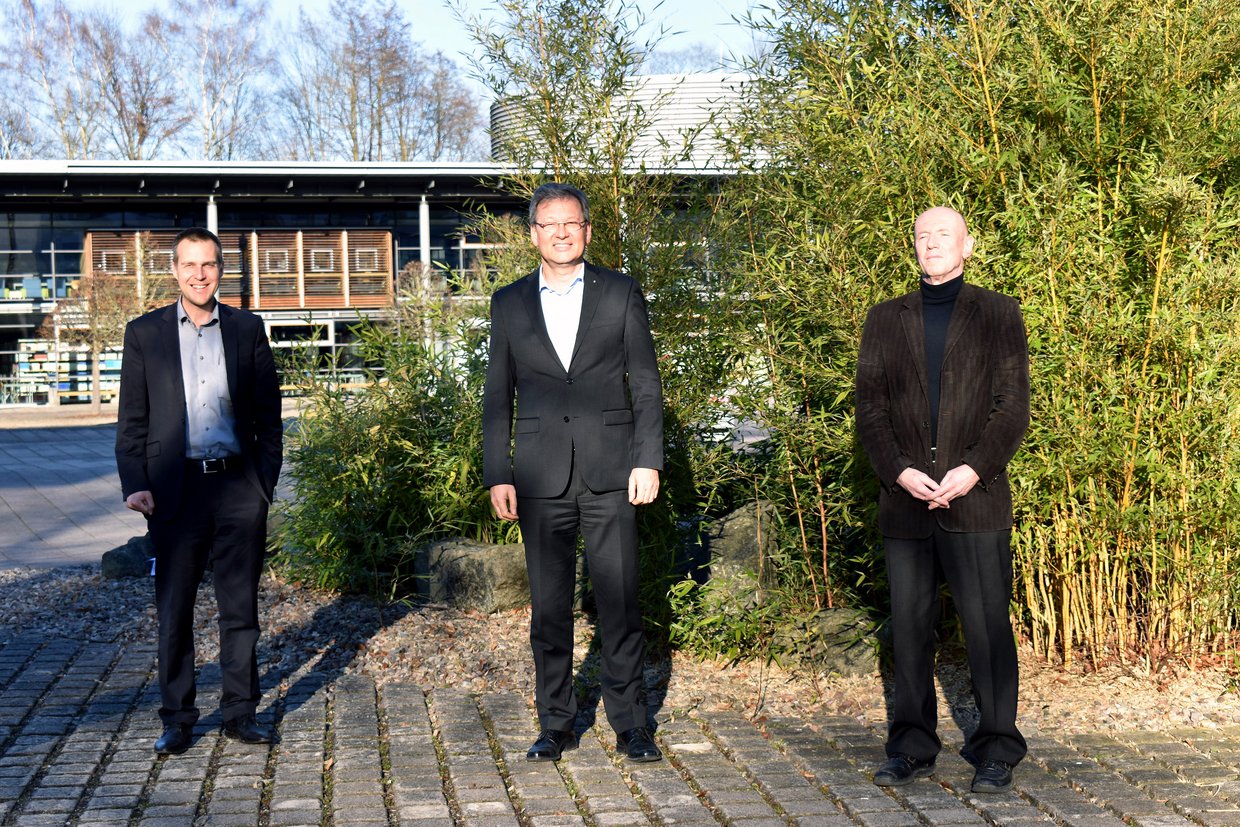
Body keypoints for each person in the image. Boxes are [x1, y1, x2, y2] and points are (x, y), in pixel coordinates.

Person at [483, 182, 664, 763]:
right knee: (549, 607)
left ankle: (631, 723)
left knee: (619, 602)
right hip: (539, 477)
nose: (561, 233)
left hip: (612, 471)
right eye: (549, 224)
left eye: (572, 223)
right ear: (534, 233)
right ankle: (555, 723)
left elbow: (646, 384)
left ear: (587, 230)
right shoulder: (508, 303)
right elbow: (497, 395)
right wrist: (498, 472)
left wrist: (648, 459)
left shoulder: (620, 292)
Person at [855, 207, 1030, 793]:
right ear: (913, 247)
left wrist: (973, 470)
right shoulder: (884, 319)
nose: (931, 244)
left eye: (943, 236)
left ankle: (997, 746)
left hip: (974, 499)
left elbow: (1012, 407)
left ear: (967, 245)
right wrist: (899, 471)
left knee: (986, 628)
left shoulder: (999, 313)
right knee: (908, 629)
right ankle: (911, 745)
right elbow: (871, 411)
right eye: (922, 237)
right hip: (906, 500)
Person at [115, 227, 283, 756]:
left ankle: (239, 713)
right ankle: (178, 718)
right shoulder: (145, 334)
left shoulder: (248, 329)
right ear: (174, 270)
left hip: (237, 486)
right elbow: (132, 422)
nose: (199, 274)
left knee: (240, 610)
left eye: (208, 264)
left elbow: (269, 416)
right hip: (176, 490)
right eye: (189, 265)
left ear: (220, 269)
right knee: (175, 610)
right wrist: (136, 484)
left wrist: (263, 484)